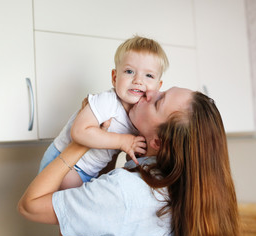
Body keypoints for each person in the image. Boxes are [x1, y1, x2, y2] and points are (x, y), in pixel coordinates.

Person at [18, 87, 240, 236]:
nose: (149, 90)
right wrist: (112, 143)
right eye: (162, 90)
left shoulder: (124, 191)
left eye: (158, 101)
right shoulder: (179, 192)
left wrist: (84, 139)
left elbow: (30, 206)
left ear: (158, 142)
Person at [38, 35, 169, 190]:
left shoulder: (140, 117)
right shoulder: (108, 101)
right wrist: (123, 141)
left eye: (148, 75)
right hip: (66, 163)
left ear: (158, 86)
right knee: (64, 204)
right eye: (129, 71)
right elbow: (79, 132)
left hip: (88, 170)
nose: (138, 80)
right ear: (114, 77)